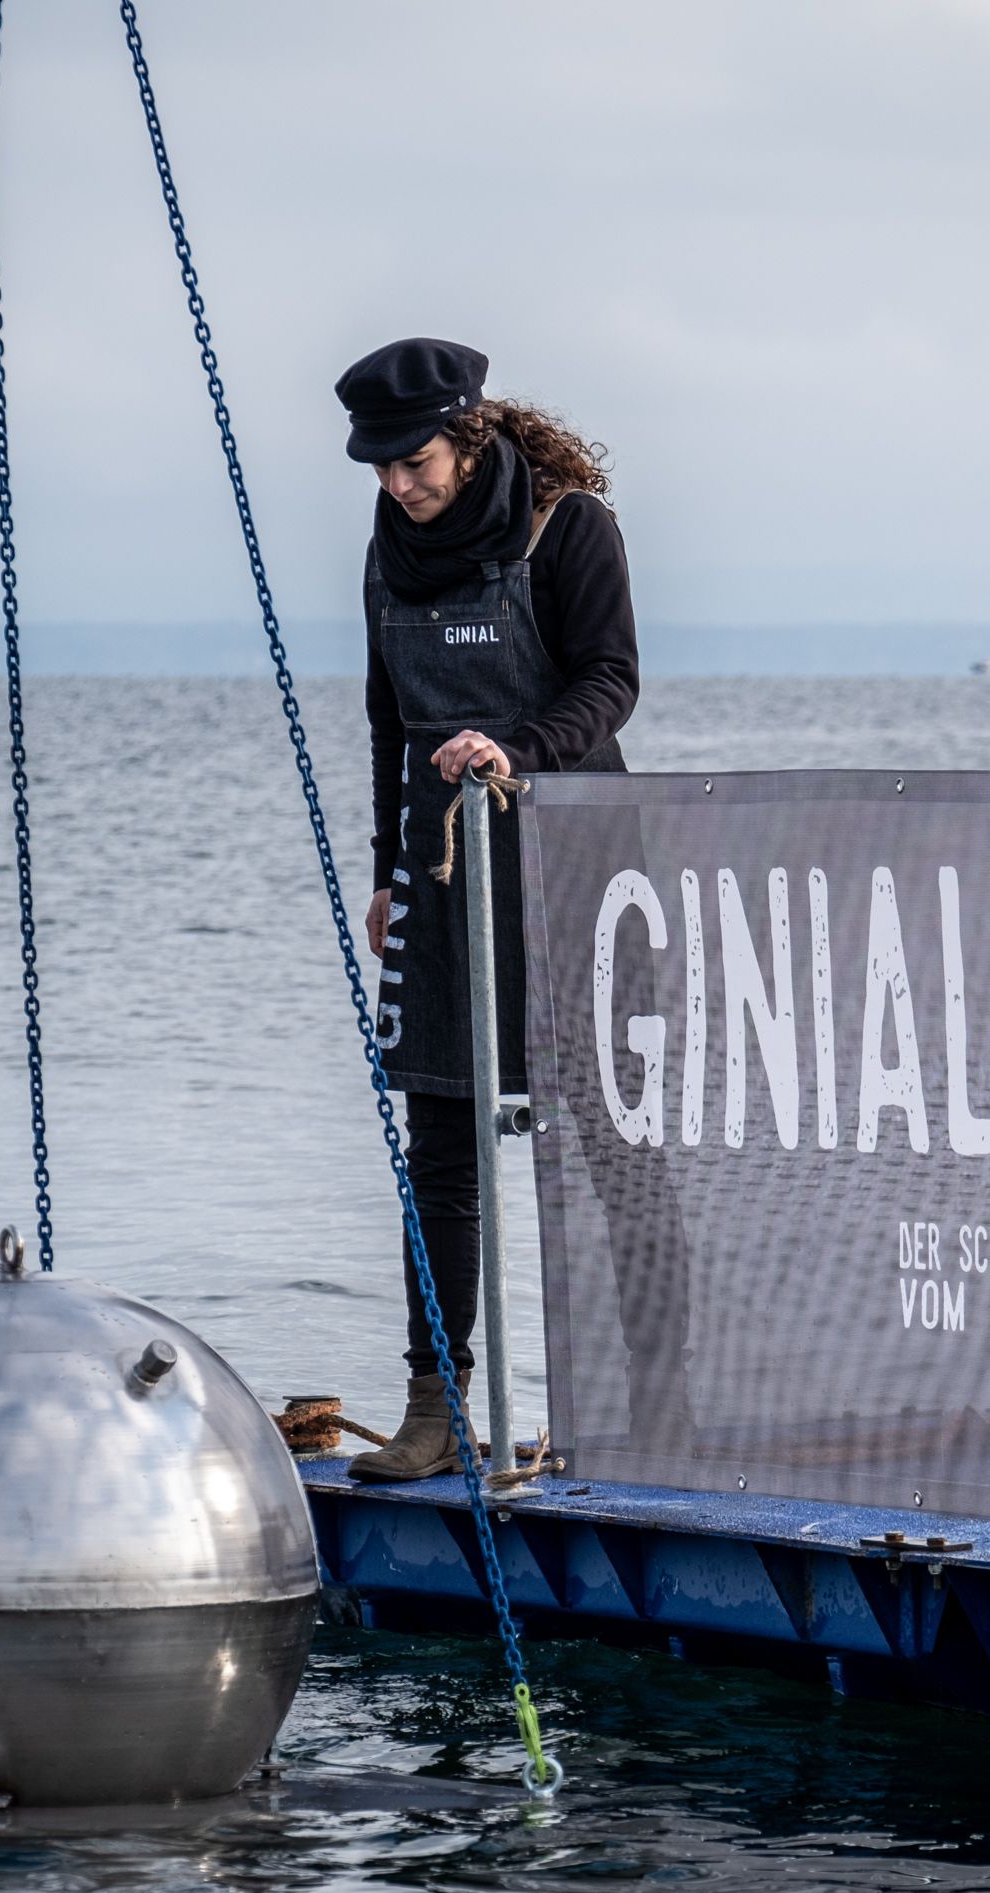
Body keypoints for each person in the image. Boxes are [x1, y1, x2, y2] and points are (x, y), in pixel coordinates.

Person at [334, 336, 642, 1482]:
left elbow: (609, 681)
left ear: (465, 437)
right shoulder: (387, 548)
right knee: (442, 1143)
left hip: (576, 850)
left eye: (411, 463)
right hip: (439, 859)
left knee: (611, 1140)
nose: (395, 487)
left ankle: (640, 1396)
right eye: (377, 470)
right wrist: (385, 867)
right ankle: (433, 1406)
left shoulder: (569, 528)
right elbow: (386, 722)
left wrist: (514, 748)